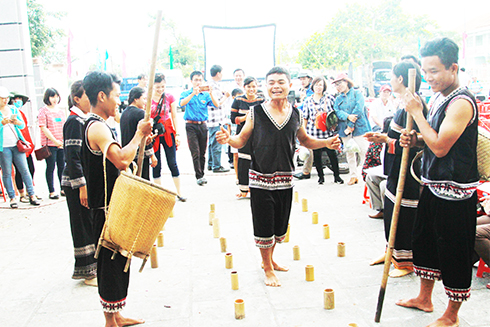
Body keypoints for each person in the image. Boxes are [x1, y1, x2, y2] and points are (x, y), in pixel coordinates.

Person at [216, 66, 341, 287]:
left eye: (281, 82)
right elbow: (241, 140)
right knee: (264, 224)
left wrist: (326, 143)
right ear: (266, 86)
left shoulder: (296, 113)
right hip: (260, 179)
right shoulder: (256, 112)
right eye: (271, 82)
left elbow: (305, 141)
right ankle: (266, 267)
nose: (276, 86)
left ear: (289, 85)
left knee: (278, 225)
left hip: (285, 179)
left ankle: (271, 260)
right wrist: (228, 139)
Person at [397, 37, 479, 327]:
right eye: (425, 71)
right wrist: (415, 139)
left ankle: (452, 315)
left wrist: (417, 113)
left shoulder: (461, 102)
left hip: (456, 192)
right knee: (426, 243)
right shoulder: (438, 97)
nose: (428, 78)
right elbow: (431, 140)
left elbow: (442, 146)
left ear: (453, 68)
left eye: (434, 71)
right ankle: (425, 298)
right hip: (432, 184)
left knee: (454, 251)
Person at [81, 71, 151, 327]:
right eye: (115, 95)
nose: (118, 101)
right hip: (105, 208)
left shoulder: (99, 124)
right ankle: (110, 320)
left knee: (120, 260)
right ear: (101, 96)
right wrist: (138, 135)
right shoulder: (96, 126)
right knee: (110, 264)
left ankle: (117, 314)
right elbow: (121, 160)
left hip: (114, 204)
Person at [366, 61, 427, 278]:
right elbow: (395, 139)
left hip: (408, 170)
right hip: (393, 167)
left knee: (404, 214)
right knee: (391, 210)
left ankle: (405, 262)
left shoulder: (414, 105)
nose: (389, 81)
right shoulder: (402, 104)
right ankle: (390, 251)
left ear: (401, 79)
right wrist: (383, 138)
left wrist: (386, 140)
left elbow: (412, 143)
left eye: (391, 76)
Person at [61, 80, 97, 286]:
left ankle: (92, 268)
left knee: (88, 222)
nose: (89, 101)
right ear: (77, 98)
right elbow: (72, 157)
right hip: (76, 185)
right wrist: (82, 185)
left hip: (83, 183)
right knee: (82, 225)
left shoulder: (83, 120)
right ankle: (87, 272)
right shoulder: (74, 121)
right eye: (86, 97)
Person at [0, 86, 40, 208]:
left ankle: (31, 194)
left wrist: (16, 122)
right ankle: (12, 197)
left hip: (17, 144)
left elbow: (22, 125)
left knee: (25, 170)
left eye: (6, 98)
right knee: (7, 172)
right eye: (2, 98)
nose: (5, 100)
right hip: (4, 146)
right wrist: (3, 123)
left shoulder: (13, 109)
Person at [150, 73, 186, 201]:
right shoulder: (147, 98)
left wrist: (177, 133)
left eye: (163, 86)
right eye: (158, 87)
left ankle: (179, 192)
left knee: (172, 162)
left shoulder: (169, 97)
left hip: (168, 131)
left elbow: (175, 116)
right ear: (153, 86)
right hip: (153, 132)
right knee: (156, 163)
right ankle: (158, 194)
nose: (160, 89)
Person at [302, 75, 343, 184]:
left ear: (324, 87)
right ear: (313, 86)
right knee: (317, 156)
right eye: (316, 85)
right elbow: (305, 118)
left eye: (321, 85)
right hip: (314, 133)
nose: (318, 87)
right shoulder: (308, 101)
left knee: (332, 155)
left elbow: (335, 114)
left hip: (328, 133)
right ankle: (321, 177)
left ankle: (337, 176)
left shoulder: (329, 98)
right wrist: (303, 133)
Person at [180, 71, 218, 186]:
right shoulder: (186, 93)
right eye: (196, 80)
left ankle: (202, 173)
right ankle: (199, 176)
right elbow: (182, 103)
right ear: (191, 81)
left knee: (202, 151)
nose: (198, 82)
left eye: (200, 80)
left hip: (203, 125)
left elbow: (216, 104)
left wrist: (211, 93)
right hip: (190, 125)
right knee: (195, 151)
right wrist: (192, 94)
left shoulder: (205, 95)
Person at [333, 73, 372, 185]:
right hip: (344, 128)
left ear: (346, 82)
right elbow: (337, 111)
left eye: (339, 83)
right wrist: (347, 117)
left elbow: (359, 109)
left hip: (359, 127)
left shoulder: (357, 93)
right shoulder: (338, 98)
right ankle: (353, 175)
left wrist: (351, 122)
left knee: (363, 151)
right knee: (349, 153)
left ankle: (366, 175)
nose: (338, 86)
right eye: (336, 85)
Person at [230, 76, 265, 198]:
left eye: (254, 86)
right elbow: (233, 119)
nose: (251, 89)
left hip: (258, 134)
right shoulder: (238, 100)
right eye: (249, 86)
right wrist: (246, 118)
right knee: (244, 160)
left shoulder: (262, 100)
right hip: (243, 134)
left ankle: (258, 187)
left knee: (258, 160)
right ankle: (243, 190)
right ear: (244, 87)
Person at [120, 87, 157, 181]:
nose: (146, 102)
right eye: (144, 99)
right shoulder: (141, 114)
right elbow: (145, 136)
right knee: (143, 182)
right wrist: (152, 155)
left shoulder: (124, 113)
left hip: (128, 155)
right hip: (140, 154)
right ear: (136, 99)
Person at [9, 92, 37, 203]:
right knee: (20, 171)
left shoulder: (21, 114)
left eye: (20, 99)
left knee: (30, 168)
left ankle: (29, 191)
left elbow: (25, 129)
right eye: (16, 99)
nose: (18, 101)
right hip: (16, 145)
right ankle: (21, 194)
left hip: (25, 144)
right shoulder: (8, 114)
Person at [38, 87, 66, 199]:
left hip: (61, 143)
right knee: (50, 167)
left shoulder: (60, 111)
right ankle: (52, 191)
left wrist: (62, 141)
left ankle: (63, 188)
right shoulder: (43, 111)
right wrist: (55, 141)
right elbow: (43, 128)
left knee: (62, 166)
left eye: (56, 96)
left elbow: (64, 126)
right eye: (52, 96)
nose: (55, 99)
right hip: (50, 144)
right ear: (47, 98)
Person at [207, 64, 230, 173]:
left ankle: (211, 164)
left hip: (213, 119)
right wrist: (226, 96)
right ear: (218, 73)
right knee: (217, 142)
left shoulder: (212, 85)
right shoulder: (213, 86)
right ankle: (216, 166)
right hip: (216, 119)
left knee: (212, 142)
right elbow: (217, 103)